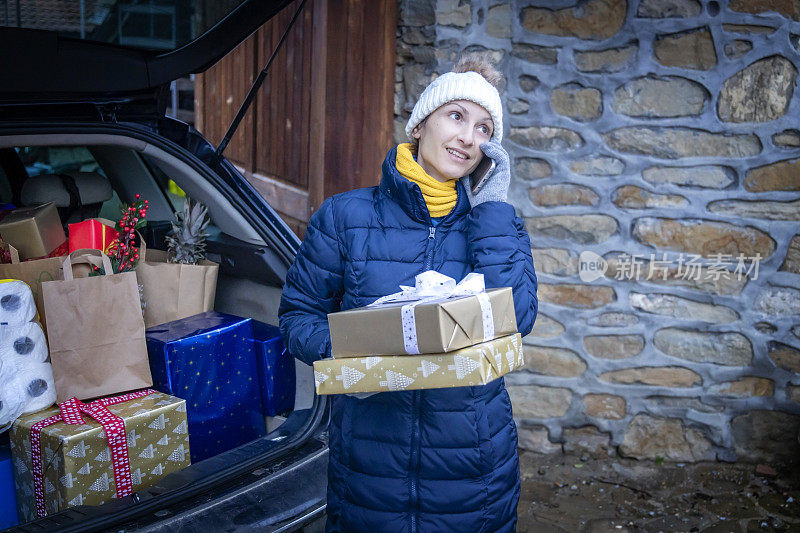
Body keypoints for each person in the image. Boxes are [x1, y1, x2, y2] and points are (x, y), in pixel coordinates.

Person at [279, 53, 538, 532]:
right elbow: (298, 317)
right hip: (371, 460)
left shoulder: (497, 224)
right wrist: (362, 349)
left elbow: (518, 317)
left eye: (484, 129)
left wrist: (493, 210)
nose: (467, 137)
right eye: (456, 117)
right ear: (420, 124)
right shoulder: (345, 217)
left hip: (472, 461)